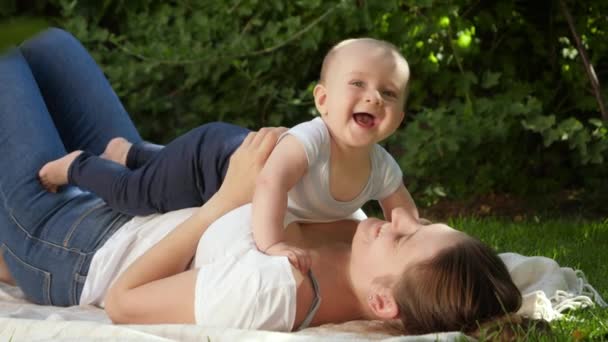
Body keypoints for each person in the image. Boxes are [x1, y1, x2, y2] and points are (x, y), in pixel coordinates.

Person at [0, 27, 533, 337]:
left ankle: (16, 245)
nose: (395, 221)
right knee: (49, 43)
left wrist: (226, 200)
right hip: (146, 192)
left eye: (405, 236)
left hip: (77, 240)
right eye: (418, 223)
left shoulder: (273, 292)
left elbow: (122, 302)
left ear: (382, 305)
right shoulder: (369, 250)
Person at [38, 38, 419, 270]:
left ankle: (130, 151)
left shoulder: (381, 167)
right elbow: (270, 182)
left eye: (387, 93)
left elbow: (400, 209)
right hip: (208, 165)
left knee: (161, 171)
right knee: (140, 196)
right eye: (358, 83)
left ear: (397, 118)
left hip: (225, 150)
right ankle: (78, 165)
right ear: (323, 100)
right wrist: (272, 243)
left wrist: (413, 237)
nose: (372, 96)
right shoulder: (312, 141)